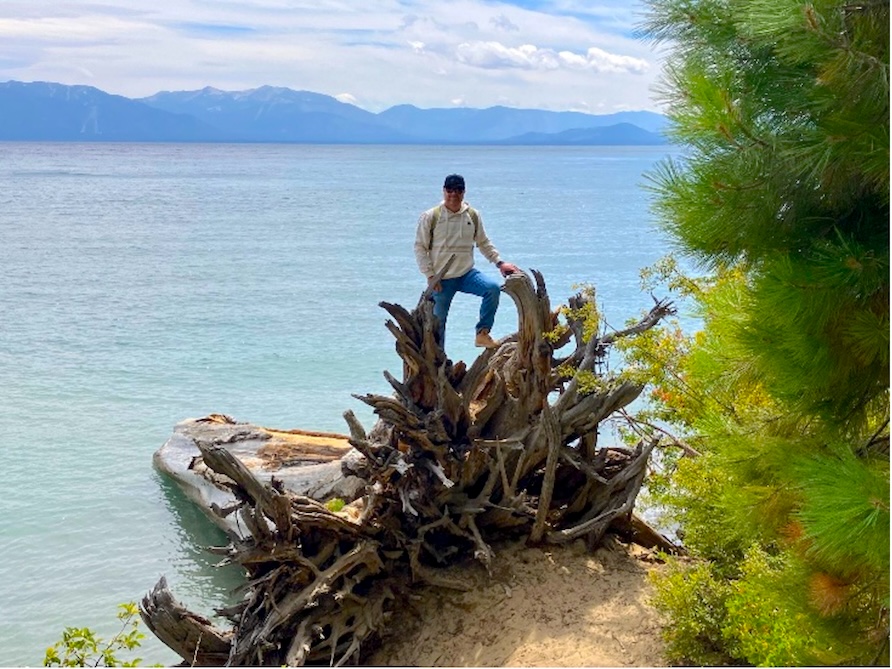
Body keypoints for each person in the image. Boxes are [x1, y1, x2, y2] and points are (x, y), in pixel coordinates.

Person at [414, 174, 519, 349]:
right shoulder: (431, 216)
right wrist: (430, 275)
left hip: (466, 274)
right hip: (441, 279)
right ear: (443, 191)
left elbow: (483, 243)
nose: (453, 194)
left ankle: (482, 334)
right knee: (437, 325)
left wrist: (500, 263)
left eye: (458, 190)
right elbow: (420, 247)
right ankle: (439, 363)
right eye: (449, 190)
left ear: (464, 192)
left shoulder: (472, 215)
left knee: (492, 289)